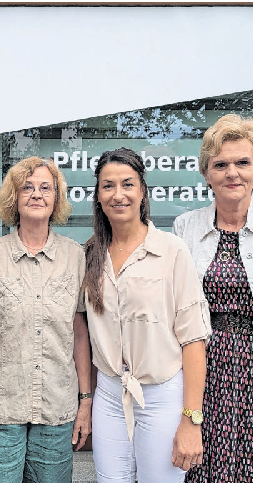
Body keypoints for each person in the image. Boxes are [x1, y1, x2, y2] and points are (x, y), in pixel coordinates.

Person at [83, 147, 211, 483]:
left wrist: (191, 419)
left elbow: (194, 339)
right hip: (109, 394)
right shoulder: (91, 254)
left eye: (127, 184)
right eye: (107, 186)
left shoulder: (172, 251)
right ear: (97, 196)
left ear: (142, 191)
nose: (118, 194)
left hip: (161, 394)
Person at [0, 156, 91, 483]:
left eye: (45, 188)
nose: (36, 194)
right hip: (1, 411)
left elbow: (79, 333)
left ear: (56, 199)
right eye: (27, 187)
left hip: (57, 410)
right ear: (14, 197)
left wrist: (86, 401)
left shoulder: (74, 255)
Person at [173, 113, 253, 483]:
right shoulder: (184, 228)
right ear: (207, 174)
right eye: (221, 164)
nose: (232, 173)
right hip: (203, 364)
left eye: (243, 162)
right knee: (205, 464)